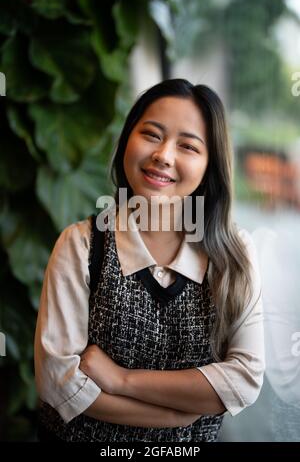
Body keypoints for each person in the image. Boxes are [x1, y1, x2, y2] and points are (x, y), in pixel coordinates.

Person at [34, 78, 265, 442]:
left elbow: (244, 380)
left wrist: (120, 379)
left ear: (211, 165)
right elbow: (58, 383)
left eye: (188, 145)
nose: (164, 155)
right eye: (152, 135)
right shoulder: (80, 245)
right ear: (127, 140)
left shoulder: (233, 253)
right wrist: (174, 417)